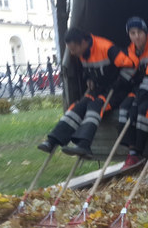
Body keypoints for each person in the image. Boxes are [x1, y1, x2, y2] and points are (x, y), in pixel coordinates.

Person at [37, 27, 134, 159]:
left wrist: (120, 82)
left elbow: (131, 66)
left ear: (83, 43)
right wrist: (89, 79)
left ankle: (84, 145)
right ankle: (53, 140)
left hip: (117, 91)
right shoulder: (82, 53)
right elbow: (89, 71)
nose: (72, 53)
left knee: (95, 106)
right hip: (99, 90)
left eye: (73, 49)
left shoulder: (106, 48)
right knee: (78, 107)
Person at [115, 17, 148, 170]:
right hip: (139, 90)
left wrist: (139, 98)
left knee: (142, 110)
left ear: (145, 32)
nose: (136, 36)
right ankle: (131, 151)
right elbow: (128, 74)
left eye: (139, 32)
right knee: (124, 109)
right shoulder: (130, 50)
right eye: (132, 33)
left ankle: (138, 150)